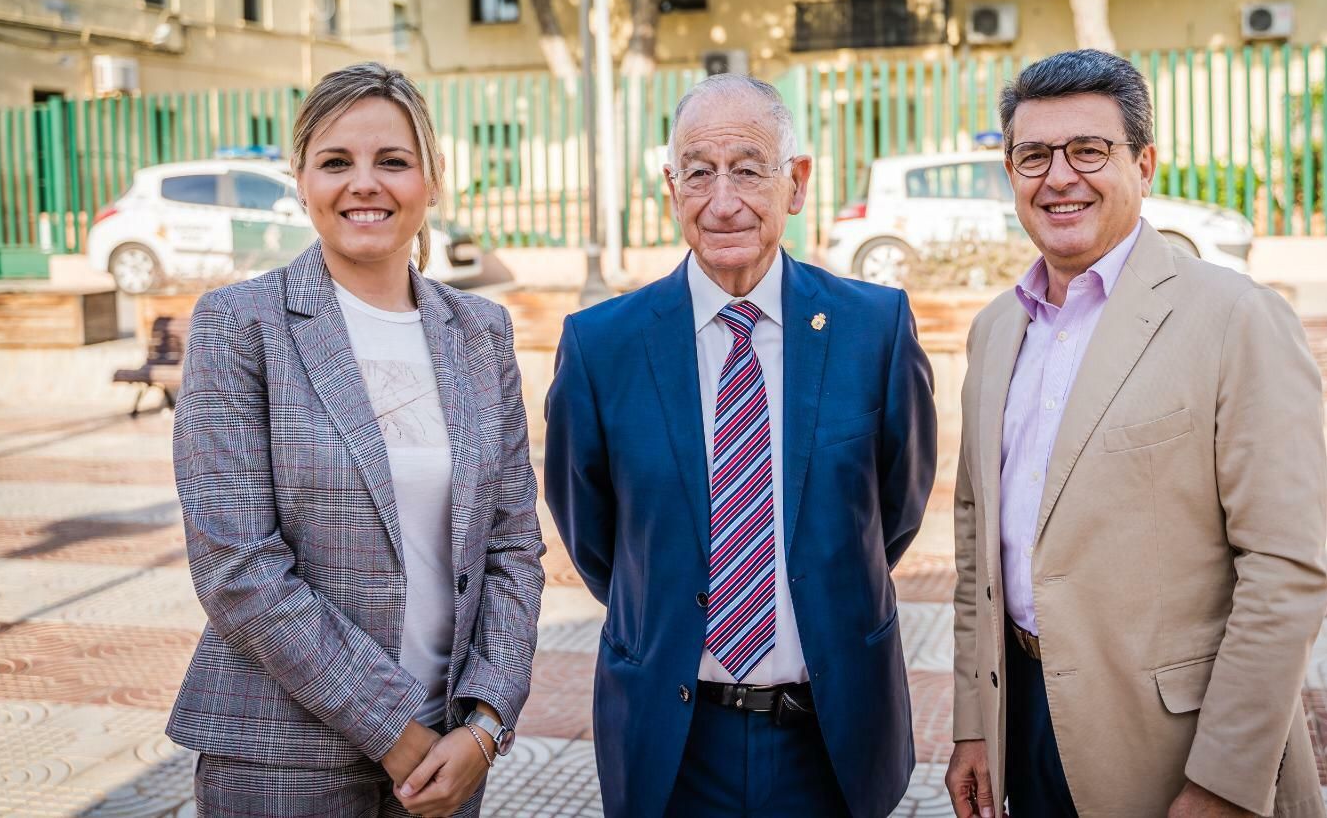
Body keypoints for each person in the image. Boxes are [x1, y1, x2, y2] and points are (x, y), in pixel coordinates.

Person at [945, 50, 1327, 818]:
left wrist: (1222, 781)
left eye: (1090, 150)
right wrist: (972, 728)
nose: (1059, 177)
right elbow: (973, 542)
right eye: (1033, 155)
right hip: (1024, 724)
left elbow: (1284, 572)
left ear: (1144, 163)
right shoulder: (995, 330)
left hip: (1174, 750)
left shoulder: (1235, 318)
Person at [545, 73, 937, 818]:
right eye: (699, 172)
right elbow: (595, 539)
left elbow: (896, 509)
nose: (723, 200)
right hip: (671, 743)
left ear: (797, 183)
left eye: (750, 169)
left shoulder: (874, 330)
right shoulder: (601, 347)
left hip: (831, 738)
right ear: (671, 187)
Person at [168, 62, 546, 817]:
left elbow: (513, 547)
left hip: (448, 757)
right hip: (280, 757)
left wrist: (485, 723)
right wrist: (392, 730)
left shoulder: (480, 333)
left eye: (393, 162)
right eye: (336, 162)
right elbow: (236, 564)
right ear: (300, 180)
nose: (364, 183)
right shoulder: (241, 325)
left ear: (431, 180)